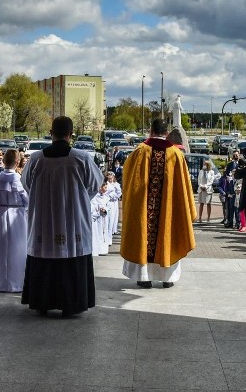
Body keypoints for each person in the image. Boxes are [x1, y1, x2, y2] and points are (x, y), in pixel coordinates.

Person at [21, 116, 104, 317]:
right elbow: (95, 184)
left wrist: (42, 198)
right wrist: (79, 198)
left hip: (44, 220)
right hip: (73, 219)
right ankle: (71, 304)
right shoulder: (81, 157)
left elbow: (26, 184)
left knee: (44, 255)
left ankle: (42, 302)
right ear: (71, 134)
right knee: (71, 256)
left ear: (51, 133)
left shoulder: (36, 159)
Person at [120, 118, 196, 288]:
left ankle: (144, 277)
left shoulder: (140, 152)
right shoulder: (176, 154)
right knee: (168, 234)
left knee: (143, 235)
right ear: (167, 133)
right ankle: (167, 279)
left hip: (144, 212)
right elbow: (185, 186)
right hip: (168, 210)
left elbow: (128, 179)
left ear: (150, 131)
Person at [0, 149, 28, 292]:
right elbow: (27, 200)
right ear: (17, 162)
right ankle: (16, 281)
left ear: (3, 161)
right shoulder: (19, 180)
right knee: (17, 248)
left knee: (0, 248)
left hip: (1, 214)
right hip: (17, 216)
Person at [90, 185, 110, 256]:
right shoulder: (95, 197)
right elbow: (93, 206)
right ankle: (98, 249)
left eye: (106, 187)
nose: (105, 189)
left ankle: (103, 249)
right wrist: (99, 211)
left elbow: (108, 206)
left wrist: (105, 210)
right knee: (97, 233)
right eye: (104, 187)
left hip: (103, 217)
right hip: (97, 218)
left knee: (104, 233)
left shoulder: (107, 197)